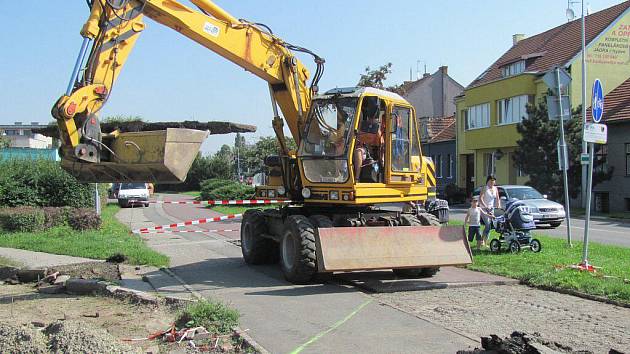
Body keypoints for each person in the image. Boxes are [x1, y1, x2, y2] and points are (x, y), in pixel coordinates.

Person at [479, 175, 501, 246]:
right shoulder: (485, 188)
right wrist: (485, 206)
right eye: (491, 180)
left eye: (493, 180)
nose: (492, 182)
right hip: (484, 209)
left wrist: (498, 205)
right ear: (488, 181)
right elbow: (480, 198)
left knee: (490, 226)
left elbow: (497, 198)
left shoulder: (495, 188)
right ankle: (481, 240)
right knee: (487, 225)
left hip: (492, 209)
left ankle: (486, 241)